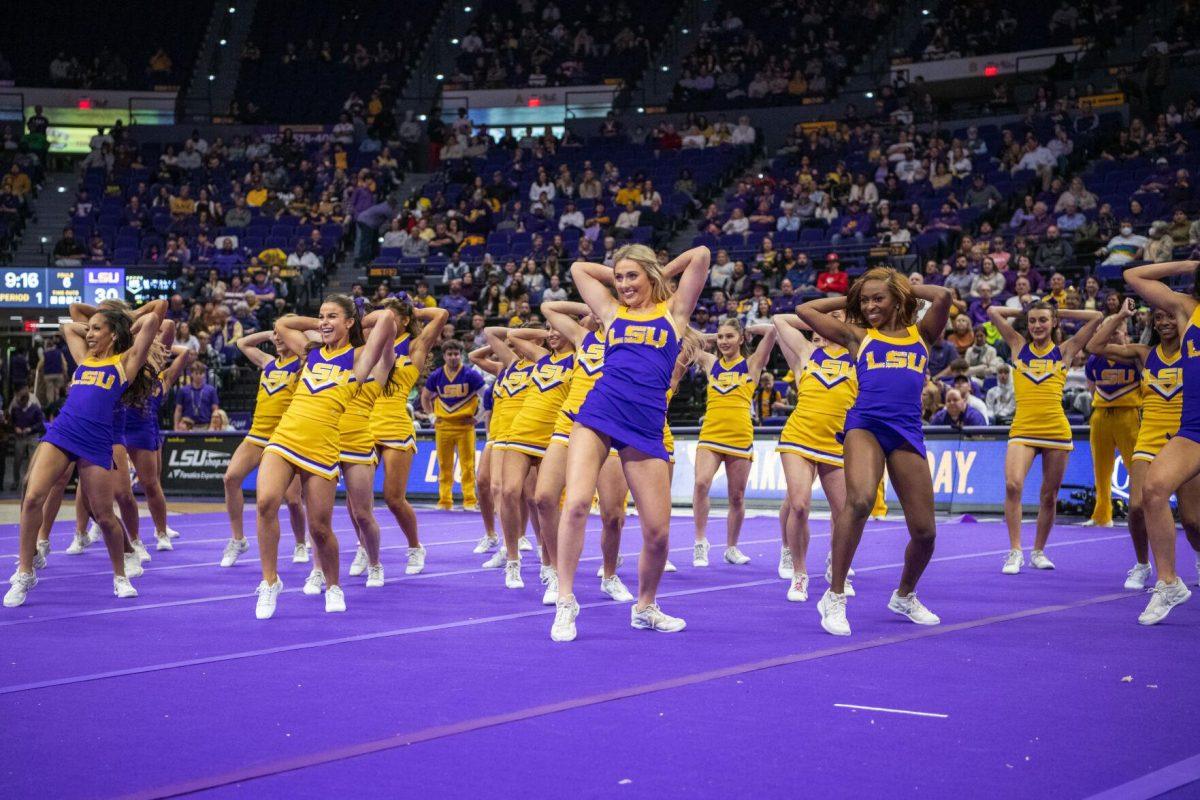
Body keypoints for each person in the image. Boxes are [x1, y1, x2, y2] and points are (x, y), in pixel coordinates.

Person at [551, 244, 710, 642]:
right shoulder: (611, 312)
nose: (623, 285)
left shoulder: (674, 313)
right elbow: (578, 268)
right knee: (574, 504)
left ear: (650, 277)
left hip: (645, 425)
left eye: (631, 277)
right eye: (618, 278)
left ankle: (645, 606)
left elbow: (702, 255)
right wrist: (625, 272)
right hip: (599, 412)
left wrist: (657, 272)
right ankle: (566, 602)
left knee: (657, 531)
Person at [797, 269, 954, 637]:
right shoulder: (858, 336)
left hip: (906, 431)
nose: (869, 306)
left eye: (877, 299)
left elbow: (943, 296)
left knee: (925, 532)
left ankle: (904, 594)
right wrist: (851, 296)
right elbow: (806, 309)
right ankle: (834, 596)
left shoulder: (923, 335)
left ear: (898, 299)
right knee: (860, 500)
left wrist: (900, 286)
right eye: (864, 300)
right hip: (864, 425)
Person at [5, 299, 165, 608]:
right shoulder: (84, 358)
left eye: (96, 330)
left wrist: (123, 322)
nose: (88, 334)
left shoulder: (126, 363)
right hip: (64, 431)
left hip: (96, 440)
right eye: (88, 330)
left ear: (114, 334)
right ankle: (25, 570)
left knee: (104, 516)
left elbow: (152, 321)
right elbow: (67, 326)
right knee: (33, 495)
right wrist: (100, 327)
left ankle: (120, 575)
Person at [251, 296, 397, 619]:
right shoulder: (310, 352)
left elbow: (387, 319)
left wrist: (358, 320)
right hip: (285, 438)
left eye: (333, 316)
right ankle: (269, 581)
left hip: (323, 448)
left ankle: (333, 585)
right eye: (321, 316)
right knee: (265, 503)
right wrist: (318, 325)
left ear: (349, 323)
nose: (325, 321)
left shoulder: (359, 359)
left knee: (320, 528)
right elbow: (283, 324)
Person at [1087, 299, 1198, 592]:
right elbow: (1094, 347)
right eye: (1158, 318)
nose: (1163, 323)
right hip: (1148, 439)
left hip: (1186, 440)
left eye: (1170, 317)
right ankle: (1142, 564)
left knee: (1192, 521)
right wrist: (1120, 315)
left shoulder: (1194, 354)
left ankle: (1198, 555)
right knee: (1136, 507)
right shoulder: (1144, 354)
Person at [987, 304, 1102, 575]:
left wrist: (1057, 310)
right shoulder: (1017, 345)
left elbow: (1097, 317)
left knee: (1048, 496)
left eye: (1043, 321)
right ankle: (1015, 551)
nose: (1037, 326)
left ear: (1053, 323)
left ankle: (1038, 551)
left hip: (1056, 431)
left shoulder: (1065, 350)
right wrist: (1028, 309)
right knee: (1013, 485)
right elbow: (993, 311)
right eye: (1033, 321)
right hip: (1023, 428)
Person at [772, 311, 875, 602]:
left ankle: (837, 566)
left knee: (844, 513)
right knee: (800, 505)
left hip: (837, 443)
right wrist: (818, 322)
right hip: (798, 437)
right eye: (825, 318)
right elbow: (780, 320)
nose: (829, 321)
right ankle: (799, 574)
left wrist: (843, 326)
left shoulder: (859, 352)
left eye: (837, 317)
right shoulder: (808, 350)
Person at [1122, 260, 1200, 624]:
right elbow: (1132, 276)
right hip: (1194, 428)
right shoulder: (1187, 309)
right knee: (1152, 490)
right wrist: (1189, 263)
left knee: (1195, 522)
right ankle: (1168, 583)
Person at [490, 323, 575, 592]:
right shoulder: (541, 357)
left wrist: (567, 331)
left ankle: (549, 565)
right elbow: (512, 335)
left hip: (553, 437)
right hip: (521, 431)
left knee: (544, 502)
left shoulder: (579, 358)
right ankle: (513, 561)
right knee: (508, 491)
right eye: (547, 329)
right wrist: (548, 333)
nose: (550, 333)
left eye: (555, 329)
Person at [368, 299, 450, 578]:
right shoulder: (369, 343)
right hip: (363, 424)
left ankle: (415, 547)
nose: (382, 320)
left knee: (393, 498)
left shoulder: (414, 346)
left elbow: (441, 314)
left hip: (394, 425)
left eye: (390, 316)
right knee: (359, 500)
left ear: (403, 320)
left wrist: (413, 312)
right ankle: (365, 549)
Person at [219, 328, 307, 567]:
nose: (278, 339)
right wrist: (272, 333)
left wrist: (291, 332)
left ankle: (300, 542)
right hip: (257, 435)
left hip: (286, 438)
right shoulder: (268, 362)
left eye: (283, 335)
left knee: (293, 499)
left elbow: (312, 345)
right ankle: (238, 539)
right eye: (276, 335)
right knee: (230, 478)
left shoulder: (303, 363)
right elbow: (243, 344)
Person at [691, 320, 776, 567]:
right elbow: (686, 340)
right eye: (721, 337)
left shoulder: (752, 364)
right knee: (700, 483)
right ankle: (700, 542)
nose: (724, 341)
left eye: (730, 336)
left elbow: (772, 331)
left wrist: (749, 329)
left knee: (736, 497)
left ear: (741, 339)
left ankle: (731, 547)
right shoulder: (710, 363)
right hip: (711, 434)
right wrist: (710, 335)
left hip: (740, 437)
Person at [334, 307, 398, 590]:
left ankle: (375, 563)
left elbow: (388, 322)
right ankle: (320, 569)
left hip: (359, 442)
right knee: (320, 513)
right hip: (327, 439)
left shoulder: (382, 367)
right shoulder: (343, 359)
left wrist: (363, 321)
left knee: (363, 512)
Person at [121, 324, 193, 551]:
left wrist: (156, 349)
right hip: (121, 426)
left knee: (151, 483)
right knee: (120, 489)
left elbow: (173, 333)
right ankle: (116, 534)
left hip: (145, 429)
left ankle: (161, 532)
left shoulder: (162, 377)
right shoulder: (128, 362)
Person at [469, 343, 537, 559]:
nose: (515, 349)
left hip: (521, 435)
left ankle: (523, 539)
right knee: (484, 483)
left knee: (528, 494)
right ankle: (494, 535)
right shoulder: (502, 368)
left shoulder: (537, 366)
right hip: (496, 434)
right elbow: (474, 356)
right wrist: (503, 343)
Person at [1081, 319, 1141, 529]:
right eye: (1109, 332)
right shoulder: (1094, 359)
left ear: (1126, 334)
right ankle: (1102, 515)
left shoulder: (1134, 357)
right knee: (1101, 469)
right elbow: (1091, 387)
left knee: (1137, 468)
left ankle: (1143, 512)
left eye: (1117, 332)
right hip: (1101, 416)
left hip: (1129, 416)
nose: (1113, 335)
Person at [421, 340, 484, 511]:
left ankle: (469, 501)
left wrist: (478, 417)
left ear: (461, 355)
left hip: (465, 427)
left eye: (456, 354)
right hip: (443, 426)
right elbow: (425, 397)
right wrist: (432, 416)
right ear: (444, 356)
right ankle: (445, 501)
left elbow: (486, 397)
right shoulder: (436, 376)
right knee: (444, 466)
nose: (453, 357)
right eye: (450, 354)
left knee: (468, 466)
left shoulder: (471, 375)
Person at [8, 384, 45, 491]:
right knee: (17, 460)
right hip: (20, 437)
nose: (20, 404)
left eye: (21, 403)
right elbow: (12, 421)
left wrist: (31, 428)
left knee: (33, 460)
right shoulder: (16, 407)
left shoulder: (35, 408)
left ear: (26, 401)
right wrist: (15, 427)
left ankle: (31, 482)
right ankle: (16, 481)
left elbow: (41, 423)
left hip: (32, 436)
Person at [174, 362, 220, 429]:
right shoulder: (183, 390)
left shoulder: (211, 390)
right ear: (191, 374)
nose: (199, 376)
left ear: (204, 374)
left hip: (206, 426)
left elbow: (215, 410)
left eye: (201, 373)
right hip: (187, 427)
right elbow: (178, 410)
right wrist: (176, 426)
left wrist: (213, 426)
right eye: (196, 373)